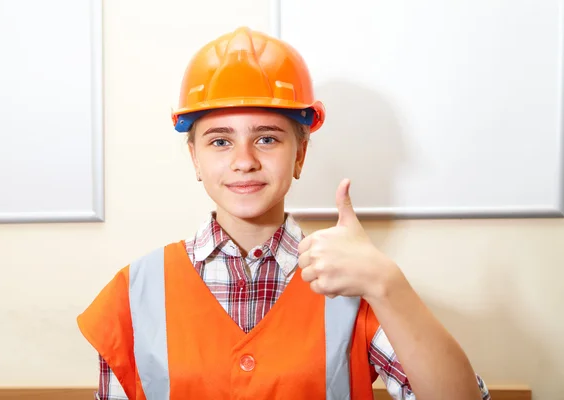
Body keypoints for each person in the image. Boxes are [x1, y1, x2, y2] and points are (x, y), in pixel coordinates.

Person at [77, 26, 491, 400]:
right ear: (195, 159)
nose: (244, 161)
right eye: (220, 142)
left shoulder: (355, 282)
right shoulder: (135, 291)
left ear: (300, 154)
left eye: (267, 139)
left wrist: (387, 284)